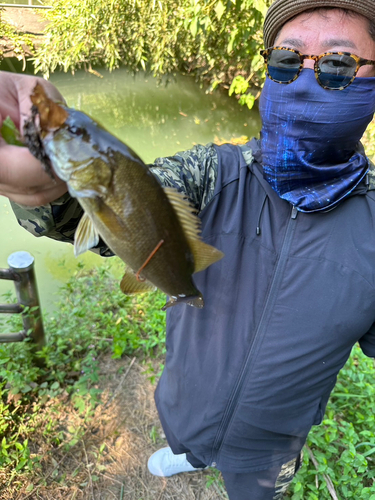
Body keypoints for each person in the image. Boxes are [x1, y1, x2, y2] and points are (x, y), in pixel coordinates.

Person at [1, 0, 375, 498]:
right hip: (186, 400)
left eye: (337, 64)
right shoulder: (212, 172)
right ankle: (191, 453)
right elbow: (128, 203)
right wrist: (50, 193)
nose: (305, 79)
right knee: (188, 438)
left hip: (271, 446)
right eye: (286, 60)